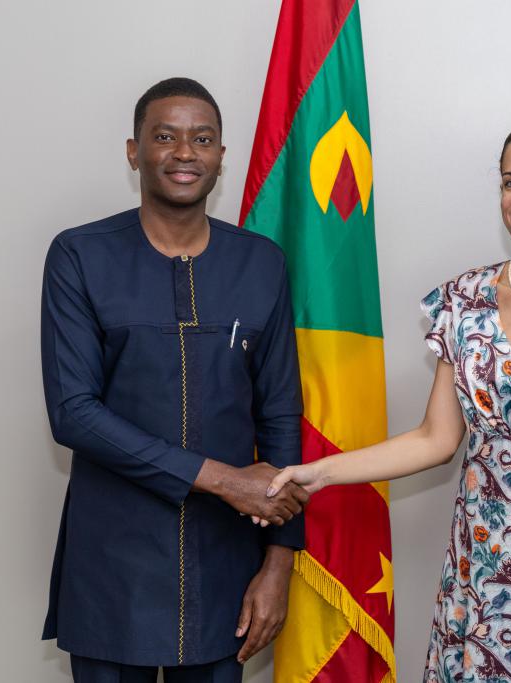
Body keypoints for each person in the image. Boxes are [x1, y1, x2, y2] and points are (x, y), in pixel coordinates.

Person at [266, 121, 511, 683]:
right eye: (510, 182)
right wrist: (320, 473)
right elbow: (435, 438)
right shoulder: (463, 299)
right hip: (479, 567)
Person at [40, 77, 309, 683]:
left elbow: (279, 418)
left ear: (221, 156)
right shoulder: (80, 256)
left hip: (226, 567)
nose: (185, 152)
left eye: (202, 139)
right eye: (165, 137)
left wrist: (278, 566)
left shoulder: (261, 262)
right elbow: (74, 413)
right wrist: (225, 480)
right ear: (133, 151)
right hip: (112, 564)